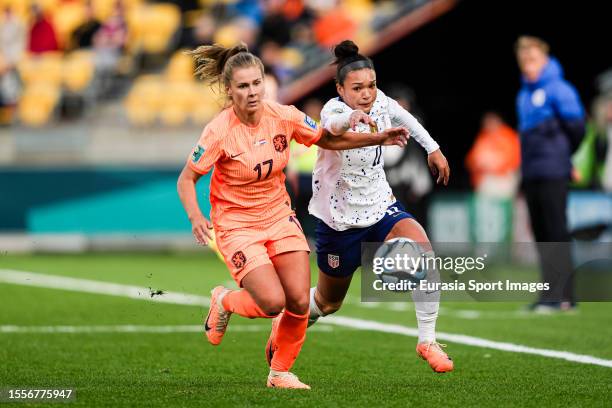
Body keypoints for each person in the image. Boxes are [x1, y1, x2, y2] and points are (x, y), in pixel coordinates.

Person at [176, 42, 408, 389]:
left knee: (299, 300)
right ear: (230, 90)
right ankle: (223, 300)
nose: (252, 91)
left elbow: (327, 140)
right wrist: (196, 217)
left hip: (278, 216)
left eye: (257, 83)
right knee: (273, 302)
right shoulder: (218, 131)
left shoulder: (284, 115)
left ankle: (279, 373)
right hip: (237, 224)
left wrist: (377, 138)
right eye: (243, 86)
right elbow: (187, 178)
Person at [305, 40, 454, 373]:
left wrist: (434, 149)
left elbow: (408, 119)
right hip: (339, 220)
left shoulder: (382, 102)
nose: (367, 93)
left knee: (423, 250)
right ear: (340, 88)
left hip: (380, 205)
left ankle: (427, 340)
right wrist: (356, 120)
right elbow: (333, 130)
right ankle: (292, 320)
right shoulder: (334, 110)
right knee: (328, 303)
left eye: (371, 85)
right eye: (357, 88)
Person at [515, 36, 585, 311]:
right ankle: (548, 294)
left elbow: (578, 128)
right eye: (523, 61)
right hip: (532, 174)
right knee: (542, 235)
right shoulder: (523, 95)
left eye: (532, 59)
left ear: (544, 59)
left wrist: (565, 157)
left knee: (557, 232)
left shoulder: (560, 89)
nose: (528, 65)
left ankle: (565, 296)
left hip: (554, 171)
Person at [465, 112, 521, 198]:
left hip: (503, 177)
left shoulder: (509, 136)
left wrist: (494, 164)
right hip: (484, 179)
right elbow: (470, 161)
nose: (489, 125)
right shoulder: (483, 138)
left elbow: (515, 160)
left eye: (491, 122)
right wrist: (481, 164)